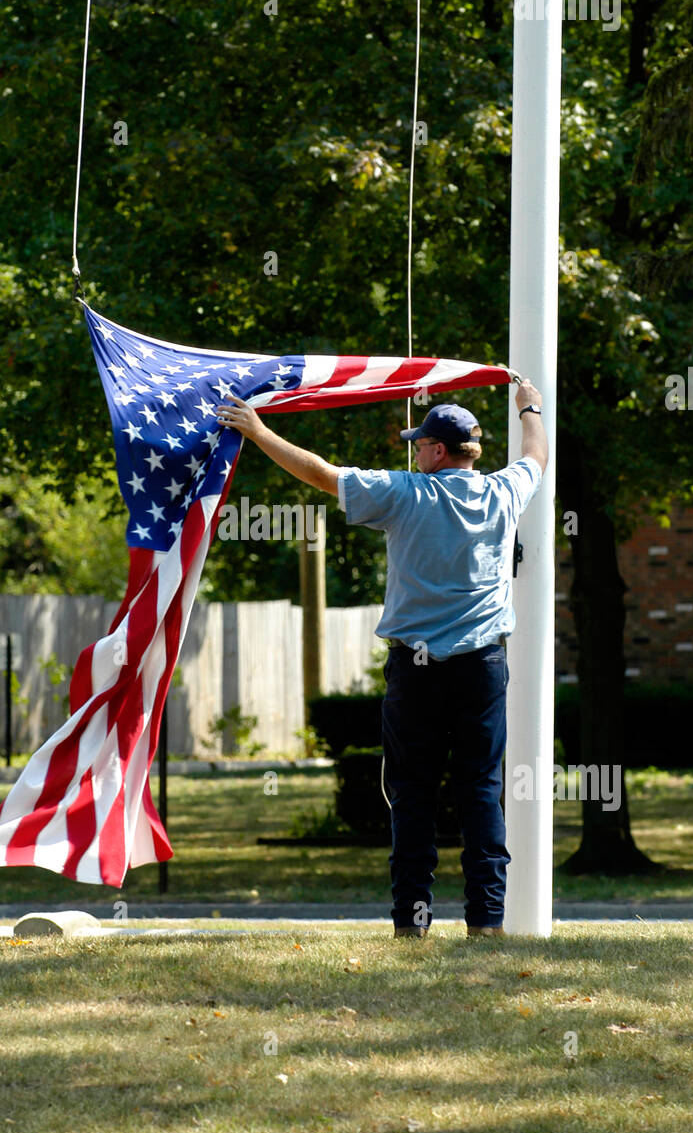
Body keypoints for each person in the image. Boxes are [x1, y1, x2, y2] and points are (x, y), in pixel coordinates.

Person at [216, 379, 548, 941]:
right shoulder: (504, 493)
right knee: (481, 792)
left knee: (413, 795)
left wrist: (261, 431)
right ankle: (486, 923)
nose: (414, 450)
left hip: (416, 674)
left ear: (438, 452)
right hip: (483, 669)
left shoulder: (405, 495)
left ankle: (411, 925)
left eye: (420, 443)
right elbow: (536, 454)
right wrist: (528, 408)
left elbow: (321, 474)